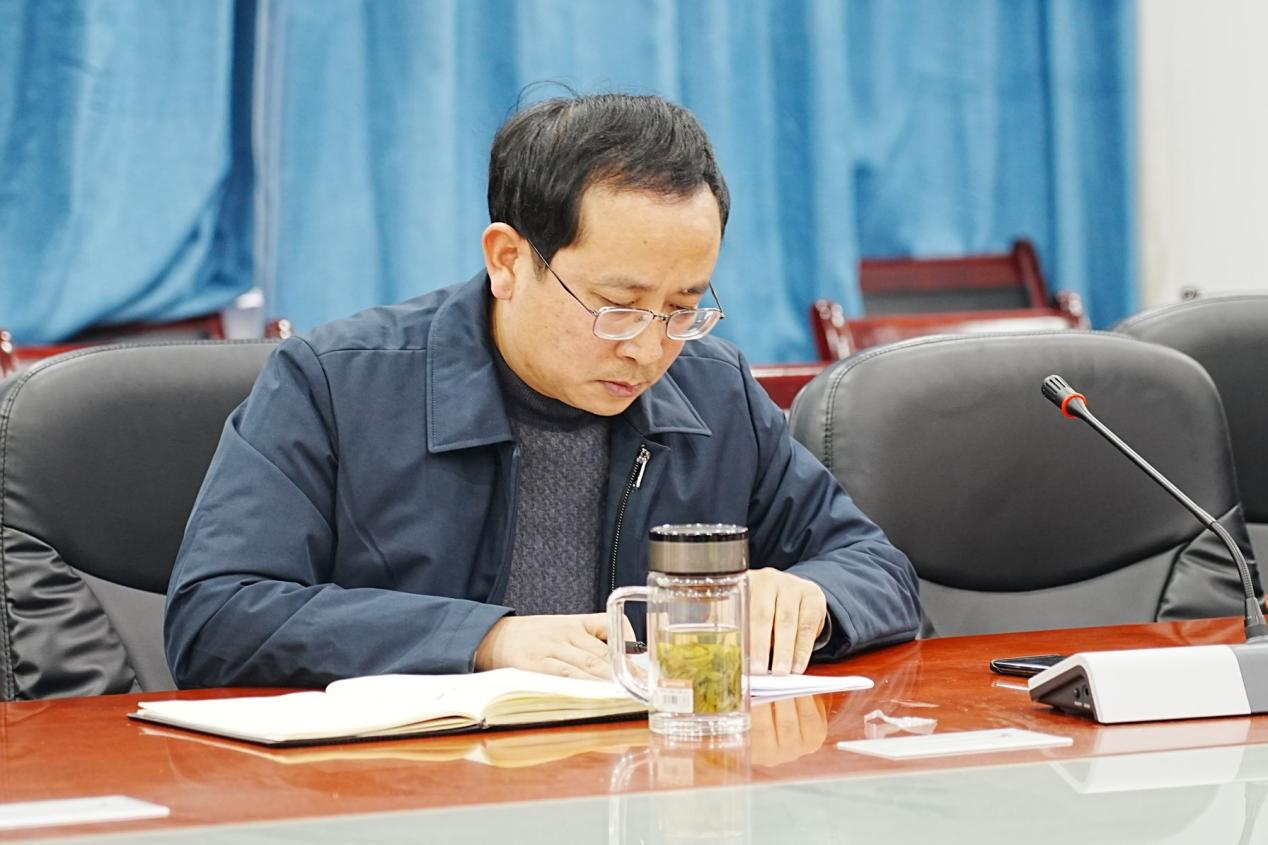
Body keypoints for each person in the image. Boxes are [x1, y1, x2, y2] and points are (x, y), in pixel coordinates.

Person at [164, 93, 920, 689]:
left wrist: (813, 598)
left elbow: (876, 568)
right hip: (408, 793)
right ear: (507, 261)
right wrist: (485, 640)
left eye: (683, 307)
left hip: (644, 783)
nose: (648, 346)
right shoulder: (334, 385)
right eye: (618, 305)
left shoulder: (715, 393)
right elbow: (217, 615)